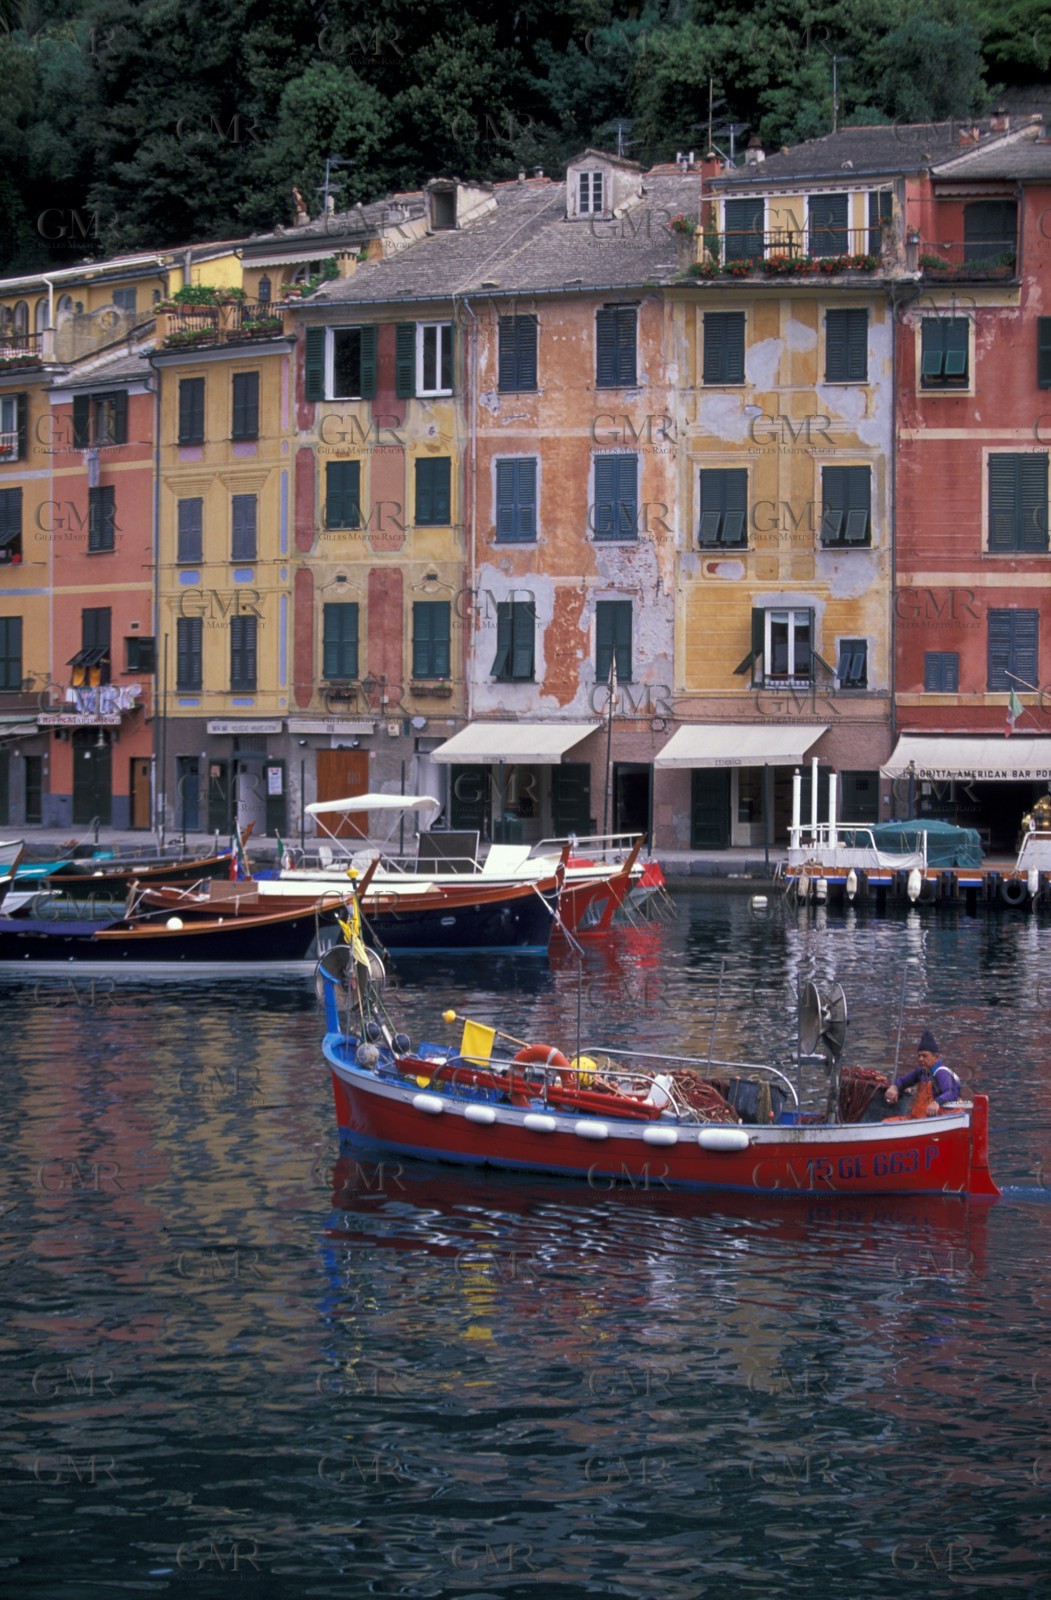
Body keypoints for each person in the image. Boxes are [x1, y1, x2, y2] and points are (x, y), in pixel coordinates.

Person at [884, 1030, 961, 1112]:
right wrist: (894, 1087)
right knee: (887, 1121)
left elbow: (951, 1092)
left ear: (936, 1057)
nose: (920, 1059)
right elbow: (903, 1081)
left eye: (924, 1056)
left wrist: (937, 1102)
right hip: (923, 1117)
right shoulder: (921, 1072)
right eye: (919, 1055)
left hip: (944, 1116)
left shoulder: (942, 1072)